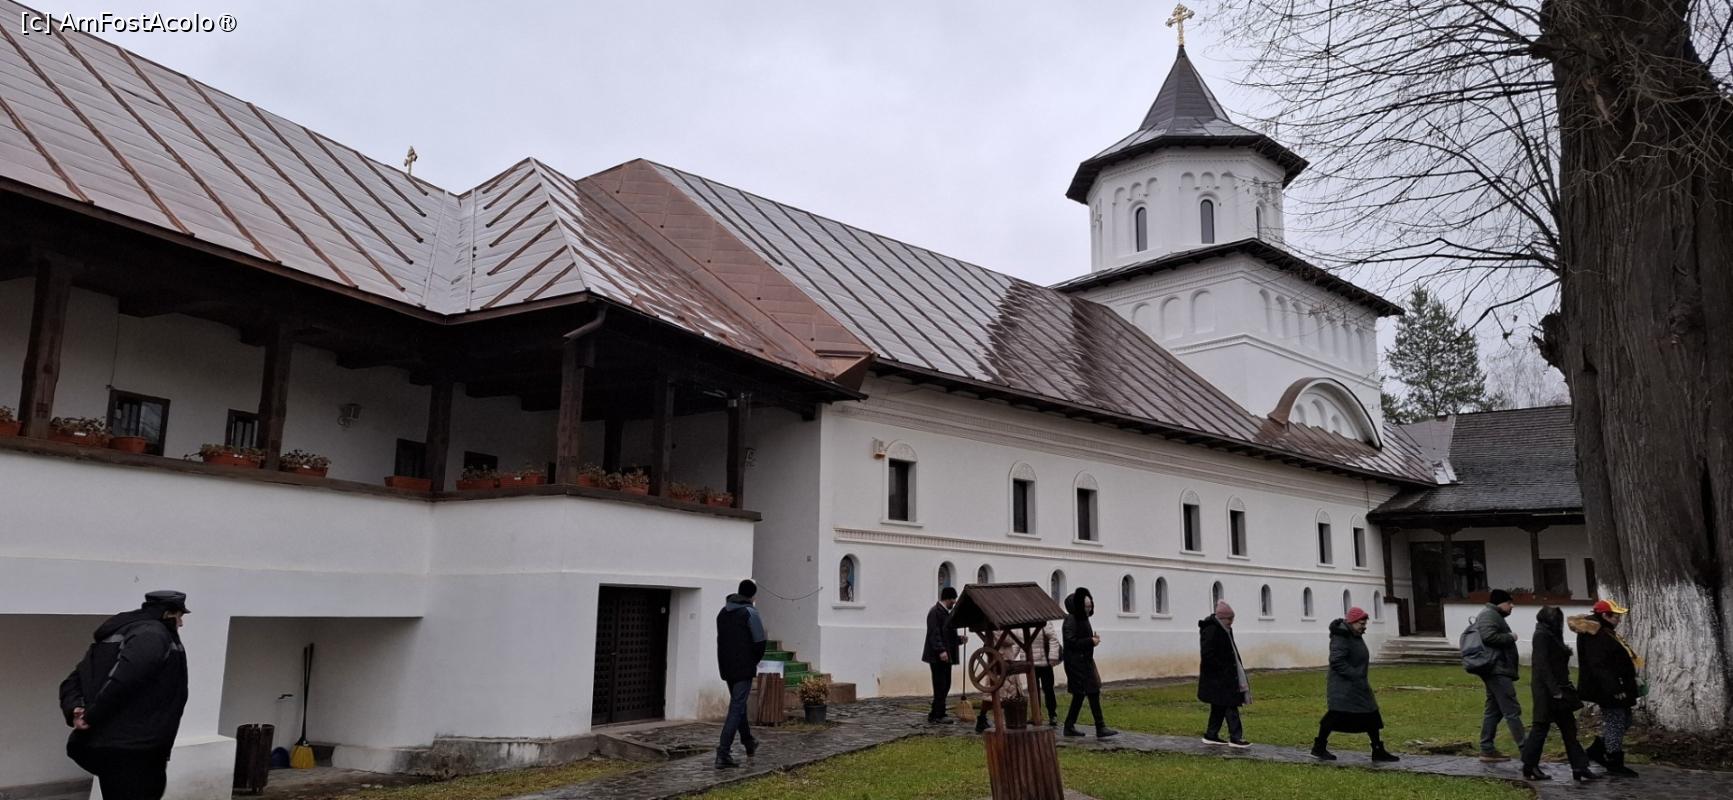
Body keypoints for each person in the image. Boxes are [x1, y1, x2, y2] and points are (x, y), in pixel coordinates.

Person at [59, 590, 191, 800]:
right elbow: (125, 681)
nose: (181, 623)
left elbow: (73, 681)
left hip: (114, 747)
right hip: (136, 749)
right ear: (167, 614)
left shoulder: (115, 634)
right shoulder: (153, 634)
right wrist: (91, 716)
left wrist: (75, 709)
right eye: (179, 616)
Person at [1519, 606, 1596, 782]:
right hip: (1548, 691)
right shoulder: (1542, 635)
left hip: (1558, 689)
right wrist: (1554, 690)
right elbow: (1542, 665)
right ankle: (1530, 765)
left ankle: (1579, 766)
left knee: (1569, 728)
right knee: (1541, 728)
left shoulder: (1550, 634)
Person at [1313, 607, 1399, 763]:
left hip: (1358, 684)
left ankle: (1378, 750)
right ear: (1352, 622)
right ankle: (1319, 747)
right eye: (1361, 623)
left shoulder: (1354, 634)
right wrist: (1354, 674)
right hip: (1343, 686)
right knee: (1335, 715)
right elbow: (1336, 661)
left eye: (1365, 623)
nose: (1364, 626)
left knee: (1371, 715)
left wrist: (1358, 677)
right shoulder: (1341, 636)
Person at [1573, 598, 1641, 778]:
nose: (1619, 619)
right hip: (1607, 688)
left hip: (1616, 685)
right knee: (1616, 721)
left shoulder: (1605, 631)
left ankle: (1597, 750)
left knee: (1625, 720)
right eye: (1616, 616)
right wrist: (1615, 688)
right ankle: (1614, 760)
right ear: (1605, 615)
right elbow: (1600, 666)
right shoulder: (1596, 635)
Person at [714, 579, 766, 768]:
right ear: (752, 596)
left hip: (726, 667)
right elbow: (760, 642)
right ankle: (723, 752)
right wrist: (753, 660)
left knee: (739, 705)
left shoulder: (723, 612)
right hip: (743, 667)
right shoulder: (750, 613)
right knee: (736, 708)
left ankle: (748, 741)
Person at [1474, 589, 1526, 762]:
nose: (1512, 606)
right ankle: (1527, 750)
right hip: (1497, 670)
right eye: (1509, 603)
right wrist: (1510, 637)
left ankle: (1487, 749)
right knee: (1512, 710)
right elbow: (1488, 636)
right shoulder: (1489, 615)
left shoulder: (1493, 615)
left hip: (1496, 669)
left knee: (1494, 711)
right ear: (1500, 603)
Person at [1061, 588, 1118, 737]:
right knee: (1081, 694)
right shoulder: (1071, 619)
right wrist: (1090, 641)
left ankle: (1096, 726)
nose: (1088, 609)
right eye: (1086, 606)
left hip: (1085, 662)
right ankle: (1074, 726)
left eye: (1090, 606)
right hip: (1076, 664)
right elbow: (1071, 642)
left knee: (1091, 692)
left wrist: (1092, 640)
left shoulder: (1082, 618)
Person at [1197, 600, 1250, 747]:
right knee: (1230, 706)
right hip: (1218, 677)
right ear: (1222, 618)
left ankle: (1211, 734)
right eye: (1230, 619)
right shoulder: (1212, 630)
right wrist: (1222, 668)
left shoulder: (1224, 629)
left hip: (1224, 676)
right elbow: (1208, 654)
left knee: (1219, 707)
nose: (1231, 622)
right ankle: (1236, 738)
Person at [921, 586, 964, 724]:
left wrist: (959, 640)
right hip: (937, 656)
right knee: (940, 685)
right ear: (947, 598)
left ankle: (936, 712)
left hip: (945, 656)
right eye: (953, 599)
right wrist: (941, 650)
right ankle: (938, 715)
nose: (954, 602)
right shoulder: (935, 612)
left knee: (945, 684)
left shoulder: (945, 613)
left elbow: (947, 634)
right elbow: (934, 633)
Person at [1031, 616, 1063, 726]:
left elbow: (1053, 639)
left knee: (1048, 689)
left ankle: (1052, 715)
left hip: (1045, 663)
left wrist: (1053, 657)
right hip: (1031, 664)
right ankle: (1036, 714)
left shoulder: (1045, 621)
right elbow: (1019, 642)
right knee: (1033, 690)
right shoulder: (1023, 622)